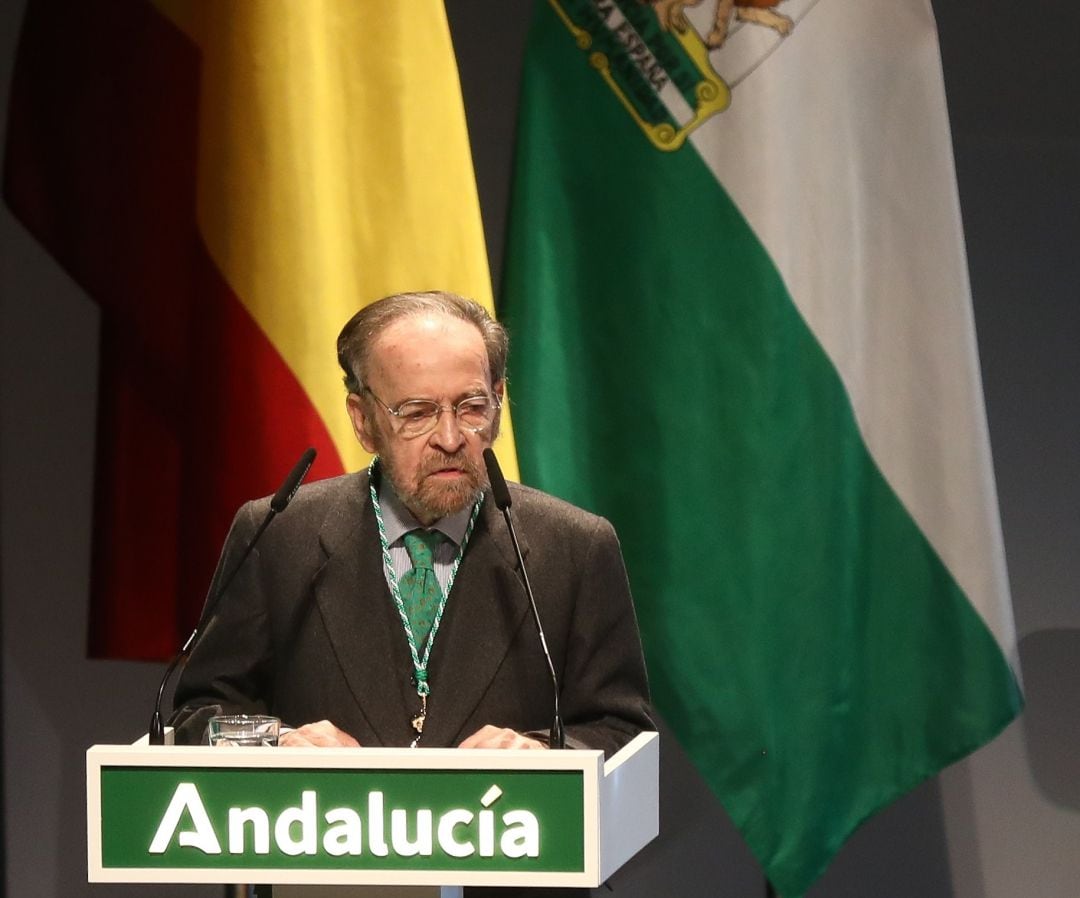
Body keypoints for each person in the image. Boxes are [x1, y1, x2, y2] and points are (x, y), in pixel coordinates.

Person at [171, 291, 652, 756]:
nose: (449, 437)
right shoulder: (278, 534)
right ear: (363, 421)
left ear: (499, 403)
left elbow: (620, 731)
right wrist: (278, 742)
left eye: (471, 407)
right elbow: (198, 714)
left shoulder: (575, 547)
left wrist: (544, 753)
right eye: (417, 413)